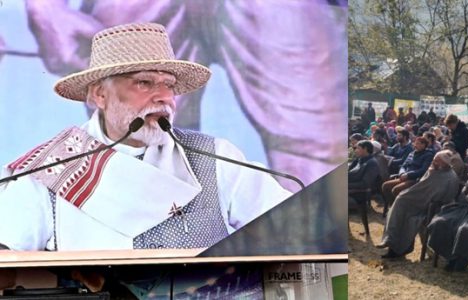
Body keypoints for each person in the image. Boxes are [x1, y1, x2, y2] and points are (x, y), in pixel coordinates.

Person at [0, 23, 291, 251]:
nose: (165, 97)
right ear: (100, 94)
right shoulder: (49, 169)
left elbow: (293, 225)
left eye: (169, 85)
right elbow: (7, 255)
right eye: (144, 82)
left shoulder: (215, 157)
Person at [378, 151, 460, 259]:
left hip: (434, 208)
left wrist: (417, 198)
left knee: (406, 213)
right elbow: (421, 186)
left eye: (437, 161)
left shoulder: (449, 177)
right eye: (434, 159)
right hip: (419, 201)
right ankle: (391, 243)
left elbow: (442, 197)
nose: (433, 162)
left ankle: (397, 247)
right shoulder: (433, 170)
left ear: (445, 163)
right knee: (398, 207)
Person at [381, 137, 434, 211]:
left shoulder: (428, 155)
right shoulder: (411, 153)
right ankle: (393, 205)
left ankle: (399, 208)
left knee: (396, 189)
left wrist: (408, 175)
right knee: (385, 186)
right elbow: (403, 165)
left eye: (418, 144)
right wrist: (402, 173)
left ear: (424, 145)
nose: (415, 145)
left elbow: (423, 170)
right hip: (404, 176)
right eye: (415, 143)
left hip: (415, 179)